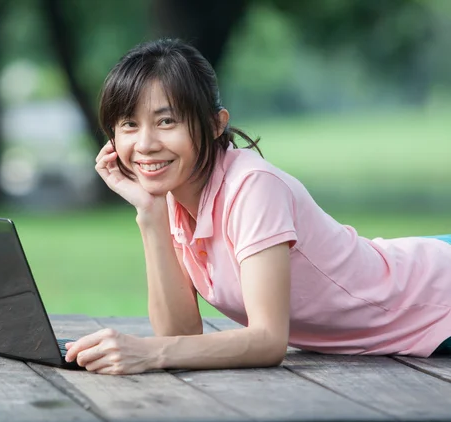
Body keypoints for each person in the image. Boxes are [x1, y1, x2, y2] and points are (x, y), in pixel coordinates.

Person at [64, 38, 451, 375]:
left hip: (434, 299)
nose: (145, 143)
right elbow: (179, 335)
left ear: (216, 124)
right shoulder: (175, 199)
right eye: (129, 124)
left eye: (166, 122)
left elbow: (267, 341)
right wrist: (150, 214)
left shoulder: (252, 187)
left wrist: (146, 352)